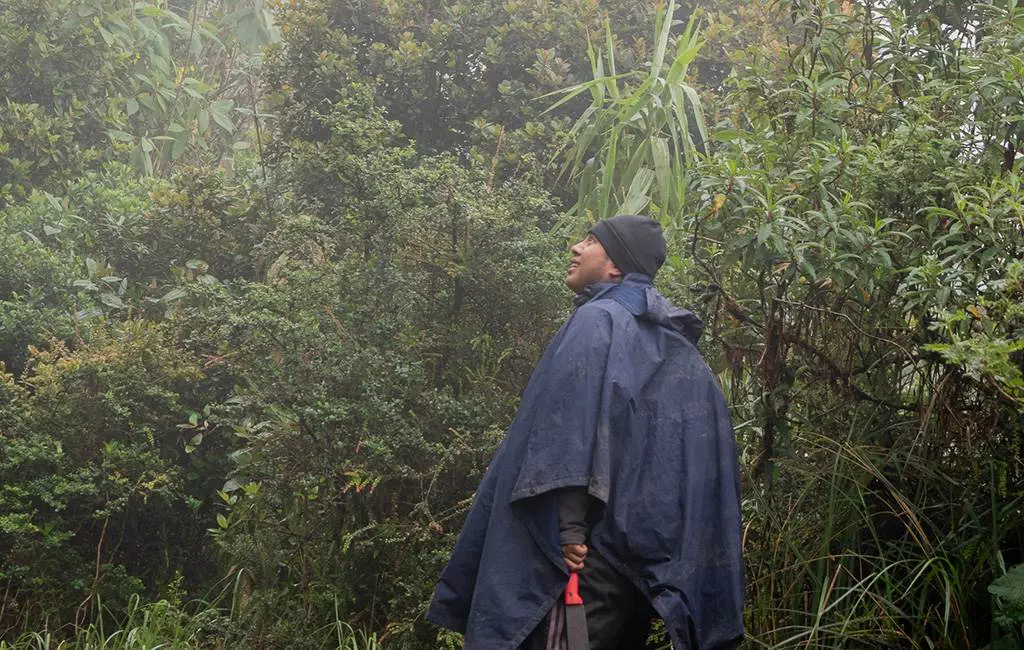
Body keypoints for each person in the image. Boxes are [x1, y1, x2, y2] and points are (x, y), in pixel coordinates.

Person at [426, 215, 744, 650]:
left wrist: (570, 529)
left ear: (616, 267)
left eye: (591, 241)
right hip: (630, 570)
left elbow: (570, 428)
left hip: (573, 561)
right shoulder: (675, 346)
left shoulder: (598, 320)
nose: (576, 247)